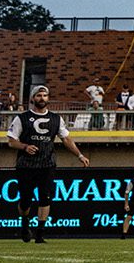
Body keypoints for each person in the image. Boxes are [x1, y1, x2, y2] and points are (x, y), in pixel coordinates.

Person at [6, 85, 90, 243]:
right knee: (26, 200)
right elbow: (11, 142)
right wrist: (25, 146)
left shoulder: (56, 119)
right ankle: (25, 225)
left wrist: (79, 155)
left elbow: (66, 139)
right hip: (26, 165)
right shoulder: (22, 118)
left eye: (45, 95)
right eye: (39, 95)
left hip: (47, 163)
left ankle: (40, 233)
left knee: (45, 197)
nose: (42, 98)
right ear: (32, 98)